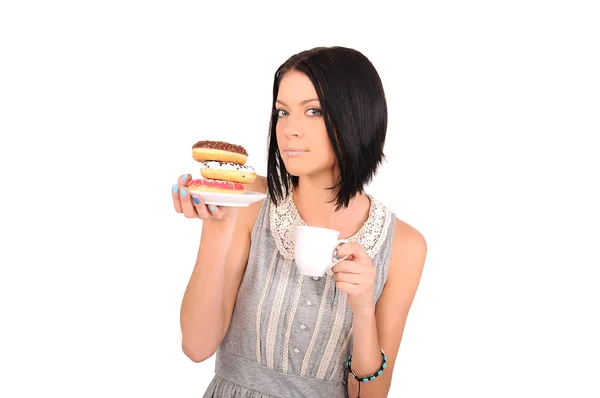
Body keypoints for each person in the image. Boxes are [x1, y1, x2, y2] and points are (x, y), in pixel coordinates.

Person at [172, 46, 427, 398]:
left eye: (313, 111)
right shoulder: (249, 201)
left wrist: (364, 310)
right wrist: (219, 224)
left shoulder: (404, 245)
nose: (289, 129)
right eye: (282, 112)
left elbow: (367, 396)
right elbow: (196, 346)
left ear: (357, 116)